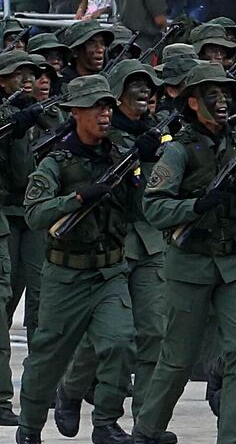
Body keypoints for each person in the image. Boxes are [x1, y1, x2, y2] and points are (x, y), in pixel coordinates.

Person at [133, 62, 236, 444]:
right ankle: (148, 429)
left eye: (225, 93)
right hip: (190, 261)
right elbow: (154, 207)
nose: (221, 101)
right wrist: (196, 206)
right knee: (177, 359)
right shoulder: (178, 151)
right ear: (192, 102)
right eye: (212, 94)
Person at [13, 75, 136, 444]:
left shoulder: (121, 153)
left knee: (120, 342)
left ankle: (105, 422)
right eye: (97, 107)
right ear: (76, 112)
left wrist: (142, 169)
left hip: (109, 270)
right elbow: (35, 214)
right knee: (48, 356)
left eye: (108, 106)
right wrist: (78, 198)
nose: (105, 113)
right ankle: (30, 427)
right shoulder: (57, 162)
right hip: (65, 274)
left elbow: (143, 207)